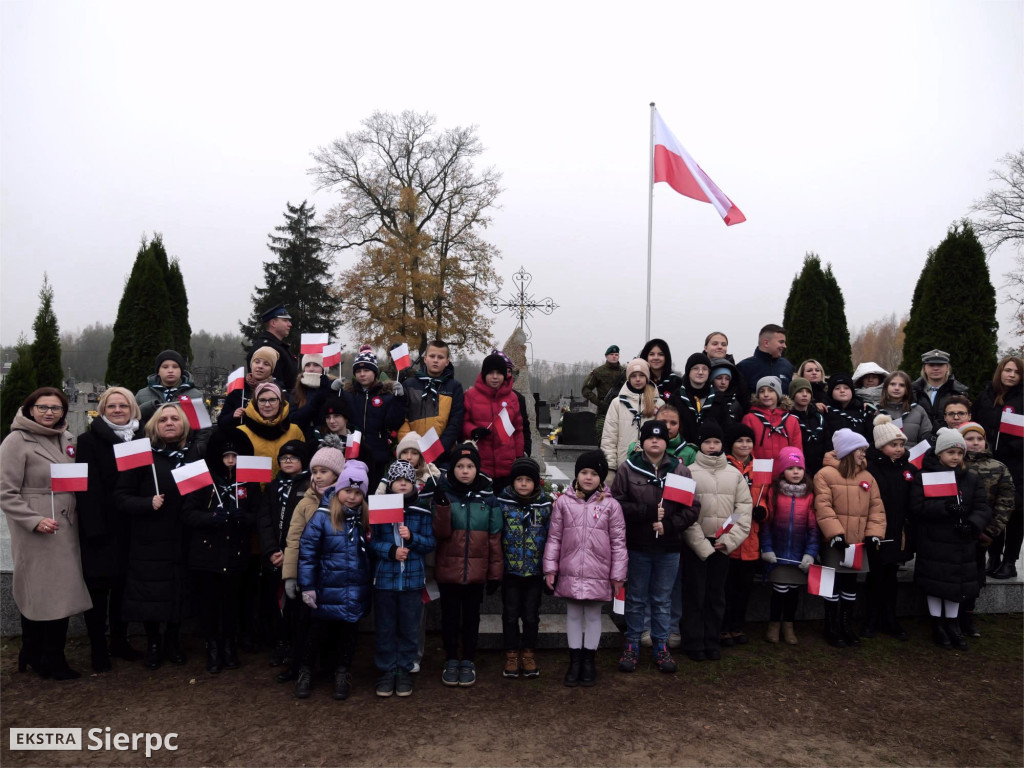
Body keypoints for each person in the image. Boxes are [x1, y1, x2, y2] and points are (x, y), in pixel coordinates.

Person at [1, 387, 92, 679]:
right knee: (41, 591)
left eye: (55, 408)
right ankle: (46, 657)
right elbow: (5, 491)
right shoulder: (17, 440)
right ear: (30, 408)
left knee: (59, 592)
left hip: (66, 525)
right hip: (37, 529)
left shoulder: (67, 438)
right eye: (43, 407)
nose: (49, 413)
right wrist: (33, 519)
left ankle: (37, 652)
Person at [114, 402, 207, 669]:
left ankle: (173, 641)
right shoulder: (141, 456)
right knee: (151, 594)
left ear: (184, 425)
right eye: (163, 419)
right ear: (154, 425)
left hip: (183, 535)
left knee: (179, 591)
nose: (169, 422)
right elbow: (120, 496)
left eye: (175, 419)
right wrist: (146, 503)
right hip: (149, 538)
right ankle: (154, 642)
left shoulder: (194, 455)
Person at [612, 421, 698, 673]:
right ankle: (632, 644)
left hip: (668, 547)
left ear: (666, 442)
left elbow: (692, 508)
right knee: (637, 599)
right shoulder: (628, 470)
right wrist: (647, 512)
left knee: (662, 599)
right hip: (638, 545)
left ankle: (661, 645)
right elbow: (616, 505)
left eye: (660, 439)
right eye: (649, 438)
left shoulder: (679, 471)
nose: (655, 442)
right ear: (643, 441)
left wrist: (669, 525)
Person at [75, 387, 145, 672]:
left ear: (133, 410)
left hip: (131, 525)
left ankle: (119, 640)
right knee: (99, 591)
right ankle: (98, 647)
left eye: (123, 406)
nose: (118, 410)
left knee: (123, 589)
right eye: (111, 406)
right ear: (102, 410)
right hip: (100, 528)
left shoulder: (140, 440)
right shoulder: (88, 441)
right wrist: (94, 528)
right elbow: (87, 489)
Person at [544, 450, 626, 687]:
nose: (588, 477)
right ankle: (575, 660)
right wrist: (550, 569)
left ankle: (589, 660)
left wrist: (618, 574)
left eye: (593, 473)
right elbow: (554, 538)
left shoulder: (612, 506)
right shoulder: (563, 503)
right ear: (577, 474)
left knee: (592, 615)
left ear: (601, 477)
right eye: (583, 472)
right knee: (572, 614)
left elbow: (618, 543)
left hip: (598, 572)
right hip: (570, 570)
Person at [182, 428, 260, 674]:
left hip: (235, 553)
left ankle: (229, 645)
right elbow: (187, 514)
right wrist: (209, 518)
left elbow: (258, 512)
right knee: (209, 604)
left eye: (234, 456)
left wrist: (244, 517)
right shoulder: (203, 478)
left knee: (231, 604)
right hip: (207, 554)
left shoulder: (248, 480)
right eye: (226, 456)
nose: (230, 461)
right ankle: (213, 646)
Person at [909, 428, 992, 650]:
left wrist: (972, 524)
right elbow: (917, 507)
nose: (955, 457)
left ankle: (952, 624)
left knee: (956, 585)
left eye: (958, 452)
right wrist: (945, 508)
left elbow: (982, 506)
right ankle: (937, 624)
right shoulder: (925, 477)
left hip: (961, 541)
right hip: (934, 541)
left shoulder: (972, 479)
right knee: (935, 585)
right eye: (950, 452)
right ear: (939, 454)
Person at [296, 459, 372, 701]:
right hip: (326, 588)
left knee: (349, 634)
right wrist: (307, 586)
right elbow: (307, 553)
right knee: (317, 633)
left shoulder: (364, 518)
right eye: (348, 490)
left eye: (358, 493)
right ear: (338, 489)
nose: (352, 497)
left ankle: (343, 672)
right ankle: (305, 671)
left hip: (354, 588)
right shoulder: (322, 517)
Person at [681, 420, 752, 661]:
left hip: (722, 545)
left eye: (716, 442)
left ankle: (712, 642)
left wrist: (729, 539)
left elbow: (742, 509)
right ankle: (693, 642)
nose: (712, 446)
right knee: (695, 595)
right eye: (707, 442)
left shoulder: (735, 476)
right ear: (700, 444)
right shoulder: (687, 471)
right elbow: (682, 511)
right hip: (695, 545)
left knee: (715, 596)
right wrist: (700, 543)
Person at [433, 443, 502, 687]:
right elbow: (440, 534)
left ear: (477, 468)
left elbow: (494, 537)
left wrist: (495, 572)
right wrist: (441, 506)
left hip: (476, 571)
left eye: (470, 466)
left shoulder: (489, 499)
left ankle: (469, 659)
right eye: (460, 466)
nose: (465, 471)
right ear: (452, 469)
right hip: (449, 570)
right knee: (450, 617)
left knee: (472, 617)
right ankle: (451, 658)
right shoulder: (444, 493)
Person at [281, 440, 346, 692]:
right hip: (309, 577)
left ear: (338, 475)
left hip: (336, 577)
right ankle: (300, 667)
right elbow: (293, 539)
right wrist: (291, 575)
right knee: (304, 625)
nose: (318, 476)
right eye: (315, 471)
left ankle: (330, 668)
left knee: (332, 627)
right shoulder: (305, 503)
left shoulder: (346, 501)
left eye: (324, 471)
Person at [813, 429, 886, 648]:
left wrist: (874, 534)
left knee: (850, 583)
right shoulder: (824, 475)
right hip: (834, 542)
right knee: (831, 583)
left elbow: (876, 508)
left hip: (857, 542)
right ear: (847, 451)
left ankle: (846, 624)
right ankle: (831, 625)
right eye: (860, 450)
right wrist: (834, 533)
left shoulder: (867, 477)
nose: (864, 454)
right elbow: (823, 506)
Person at [370, 460, 435, 698]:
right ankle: (387, 670)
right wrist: (391, 551)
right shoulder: (380, 508)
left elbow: (430, 543)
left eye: (407, 480)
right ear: (391, 483)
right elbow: (372, 541)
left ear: (413, 484)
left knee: (409, 627)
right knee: (386, 627)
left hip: (412, 579)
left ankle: (404, 670)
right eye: (398, 480)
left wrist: (412, 538)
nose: (402, 484)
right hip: (385, 579)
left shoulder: (422, 509)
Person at [256, 439, 310, 674]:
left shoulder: (309, 485)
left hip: (296, 555)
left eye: (293, 458)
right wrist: (270, 550)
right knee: (273, 600)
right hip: (274, 555)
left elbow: (308, 524)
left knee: (295, 603)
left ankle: (295, 646)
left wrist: (291, 552)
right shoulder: (271, 486)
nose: (288, 461)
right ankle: (280, 642)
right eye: (284, 458)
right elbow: (264, 519)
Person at [496, 457, 551, 680]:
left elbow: (551, 536)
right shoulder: (502, 503)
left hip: (534, 572)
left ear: (536, 482)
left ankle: (528, 653)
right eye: (519, 479)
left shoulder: (546, 505)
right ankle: (511, 654)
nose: (523, 484)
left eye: (528, 479)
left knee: (531, 615)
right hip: (510, 571)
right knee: (510, 615)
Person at [862, 415, 916, 641]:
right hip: (876, 530)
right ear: (881, 446)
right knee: (875, 576)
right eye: (893, 445)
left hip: (898, 530)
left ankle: (890, 618)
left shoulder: (909, 469)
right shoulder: (870, 469)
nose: (899, 449)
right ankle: (871, 618)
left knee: (891, 575)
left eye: (901, 444)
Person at [958, 422, 1015, 635]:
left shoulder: (999, 467)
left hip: (981, 534)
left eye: (979, 439)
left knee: (975, 577)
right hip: (954, 534)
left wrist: (990, 531)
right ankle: (950, 617)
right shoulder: (954, 464)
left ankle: (968, 618)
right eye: (970, 439)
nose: (975, 443)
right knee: (955, 575)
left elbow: (1006, 501)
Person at [972, 356, 1023, 580]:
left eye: (1016, 372)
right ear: (999, 372)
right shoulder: (985, 397)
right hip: (990, 464)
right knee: (993, 511)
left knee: (1015, 513)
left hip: (1017, 464)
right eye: (1007, 370)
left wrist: (1014, 444)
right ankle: (993, 557)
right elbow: (974, 425)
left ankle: (1010, 561)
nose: (1011, 375)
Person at [760, 446, 818, 645]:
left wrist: (810, 553)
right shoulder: (774, 493)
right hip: (778, 552)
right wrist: (766, 547)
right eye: (791, 468)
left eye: (799, 468)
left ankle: (789, 625)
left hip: (798, 553)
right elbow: (767, 523)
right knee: (779, 590)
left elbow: (813, 528)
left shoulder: (809, 495)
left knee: (793, 590)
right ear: (782, 470)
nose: (796, 472)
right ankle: (774, 624)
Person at [342, 345, 407, 492]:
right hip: (354, 454)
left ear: (375, 372)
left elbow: (394, 422)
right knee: (355, 490)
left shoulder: (386, 396)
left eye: (366, 370)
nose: (362, 374)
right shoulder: (349, 394)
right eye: (358, 371)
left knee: (374, 491)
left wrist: (400, 399)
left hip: (378, 453)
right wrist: (333, 392)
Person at [722, 422, 763, 647]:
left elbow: (766, 494)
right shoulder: (726, 466)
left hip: (752, 537)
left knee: (744, 587)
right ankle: (724, 627)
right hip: (731, 531)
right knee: (728, 586)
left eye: (748, 441)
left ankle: (738, 626)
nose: (745, 445)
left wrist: (764, 510)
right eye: (740, 441)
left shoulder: (760, 467)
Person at [462, 353, 525, 494]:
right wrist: (473, 430)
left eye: (499, 373)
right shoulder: (470, 396)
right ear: (484, 374)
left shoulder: (513, 398)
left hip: (506, 465)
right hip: (481, 464)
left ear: (505, 375)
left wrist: (519, 456)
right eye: (491, 373)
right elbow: (463, 422)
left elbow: (518, 429)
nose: (495, 377)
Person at [397, 338, 465, 459]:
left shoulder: (455, 387)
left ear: (447, 361)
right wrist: (411, 446)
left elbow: (455, 422)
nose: (435, 360)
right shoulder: (409, 384)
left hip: (441, 453)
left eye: (440, 357)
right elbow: (402, 417)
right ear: (425, 359)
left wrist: (439, 448)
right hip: (411, 453)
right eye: (432, 356)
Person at [601, 358, 663, 479]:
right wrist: (610, 467)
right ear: (628, 378)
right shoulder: (618, 403)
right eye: (634, 376)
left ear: (647, 377)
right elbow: (609, 438)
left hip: (651, 467)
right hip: (623, 467)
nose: (638, 379)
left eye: (641, 375)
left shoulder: (659, 404)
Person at [236, 381, 305, 478]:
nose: (267, 405)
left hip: (285, 490)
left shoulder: (294, 431)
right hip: (254, 491)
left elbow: (304, 464)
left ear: (280, 402)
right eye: (262, 400)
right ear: (256, 403)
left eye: (272, 400)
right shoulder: (241, 432)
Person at [218, 346, 282, 430]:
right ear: (251, 364)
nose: (260, 366)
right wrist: (233, 415)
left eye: (266, 364)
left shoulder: (277, 391)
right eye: (257, 362)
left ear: (272, 369)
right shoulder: (238, 388)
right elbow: (221, 421)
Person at [135, 350, 205, 422]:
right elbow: (134, 423)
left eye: (175, 367)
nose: (170, 370)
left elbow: (203, 427)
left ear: (181, 371)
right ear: (158, 371)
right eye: (165, 367)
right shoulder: (142, 395)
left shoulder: (195, 395)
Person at [742, 377, 802, 460]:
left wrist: (793, 467)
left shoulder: (791, 420)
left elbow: (796, 448)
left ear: (778, 394)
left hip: (785, 470)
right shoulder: (749, 418)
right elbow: (746, 448)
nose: (766, 394)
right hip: (759, 469)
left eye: (771, 390)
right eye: (761, 391)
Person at [911, 349, 970, 434]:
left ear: (947, 368)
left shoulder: (959, 392)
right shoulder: (913, 391)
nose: (936, 368)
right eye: (931, 365)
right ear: (924, 368)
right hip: (919, 439)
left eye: (940, 365)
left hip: (950, 440)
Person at [875, 371, 932, 447]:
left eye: (902, 385)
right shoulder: (876, 411)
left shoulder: (918, 411)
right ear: (886, 387)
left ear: (907, 389)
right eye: (892, 384)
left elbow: (926, 437)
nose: (897, 388)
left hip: (913, 457)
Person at [248, 304, 297, 389]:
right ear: (273, 323)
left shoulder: (279, 347)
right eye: (285, 320)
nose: (290, 324)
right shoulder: (267, 348)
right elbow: (275, 385)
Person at [736, 324, 794, 395]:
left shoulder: (787, 366)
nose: (785, 346)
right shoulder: (743, 367)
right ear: (766, 343)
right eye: (781, 342)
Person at [787, 377, 828, 478]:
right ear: (793, 395)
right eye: (800, 391)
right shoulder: (788, 418)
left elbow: (827, 441)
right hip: (800, 468)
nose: (805, 394)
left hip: (821, 467)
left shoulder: (818, 417)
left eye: (808, 392)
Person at [581, 345, 623, 438]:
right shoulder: (598, 372)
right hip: (603, 411)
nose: (614, 356)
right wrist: (599, 403)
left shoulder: (624, 372)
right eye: (612, 354)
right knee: (602, 437)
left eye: (616, 354)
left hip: (622, 410)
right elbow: (586, 389)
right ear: (606, 356)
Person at [288, 353, 333, 438]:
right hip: (301, 439)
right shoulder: (297, 391)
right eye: (307, 365)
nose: (311, 369)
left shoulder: (333, 388)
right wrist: (315, 402)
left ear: (323, 368)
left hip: (326, 440)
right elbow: (293, 420)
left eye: (316, 365)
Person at [825, 372, 872, 440]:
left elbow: (870, 436)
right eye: (837, 388)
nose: (842, 391)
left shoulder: (863, 411)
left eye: (846, 388)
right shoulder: (825, 411)